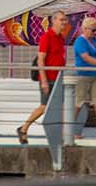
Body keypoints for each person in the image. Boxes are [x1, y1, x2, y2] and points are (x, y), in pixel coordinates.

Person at [16, 11, 68, 145]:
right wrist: (43, 80)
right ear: (54, 21)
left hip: (58, 78)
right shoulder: (47, 37)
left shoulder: (60, 38)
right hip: (48, 78)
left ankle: (61, 135)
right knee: (45, 107)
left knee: (61, 106)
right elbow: (41, 59)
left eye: (65, 20)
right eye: (61, 20)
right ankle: (24, 128)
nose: (64, 22)